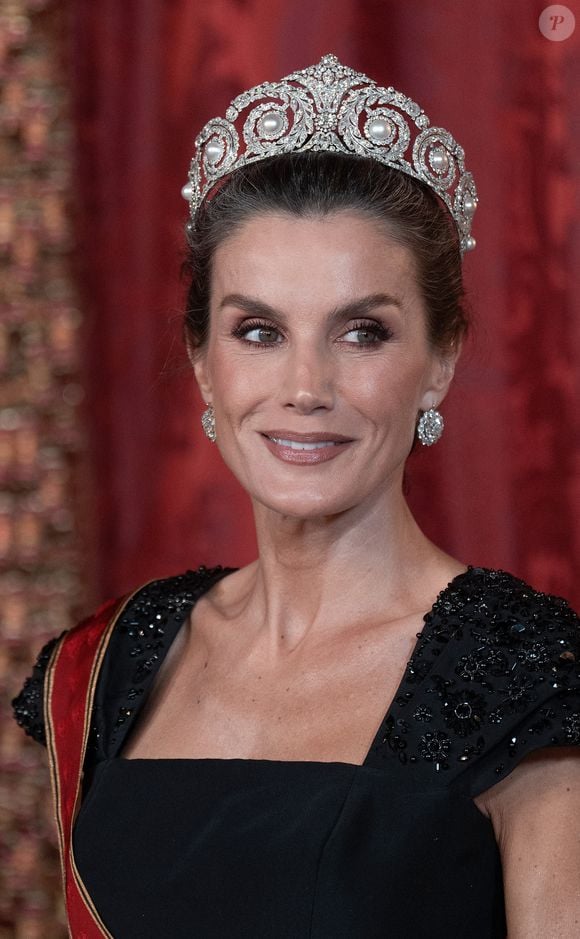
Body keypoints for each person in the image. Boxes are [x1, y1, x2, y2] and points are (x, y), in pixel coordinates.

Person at [12, 54, 580, 939]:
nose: (306, 385)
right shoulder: (116, 661)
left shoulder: (530, 678)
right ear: (204, 361)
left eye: (362, 332)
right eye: (260, 331)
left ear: (441, 359)